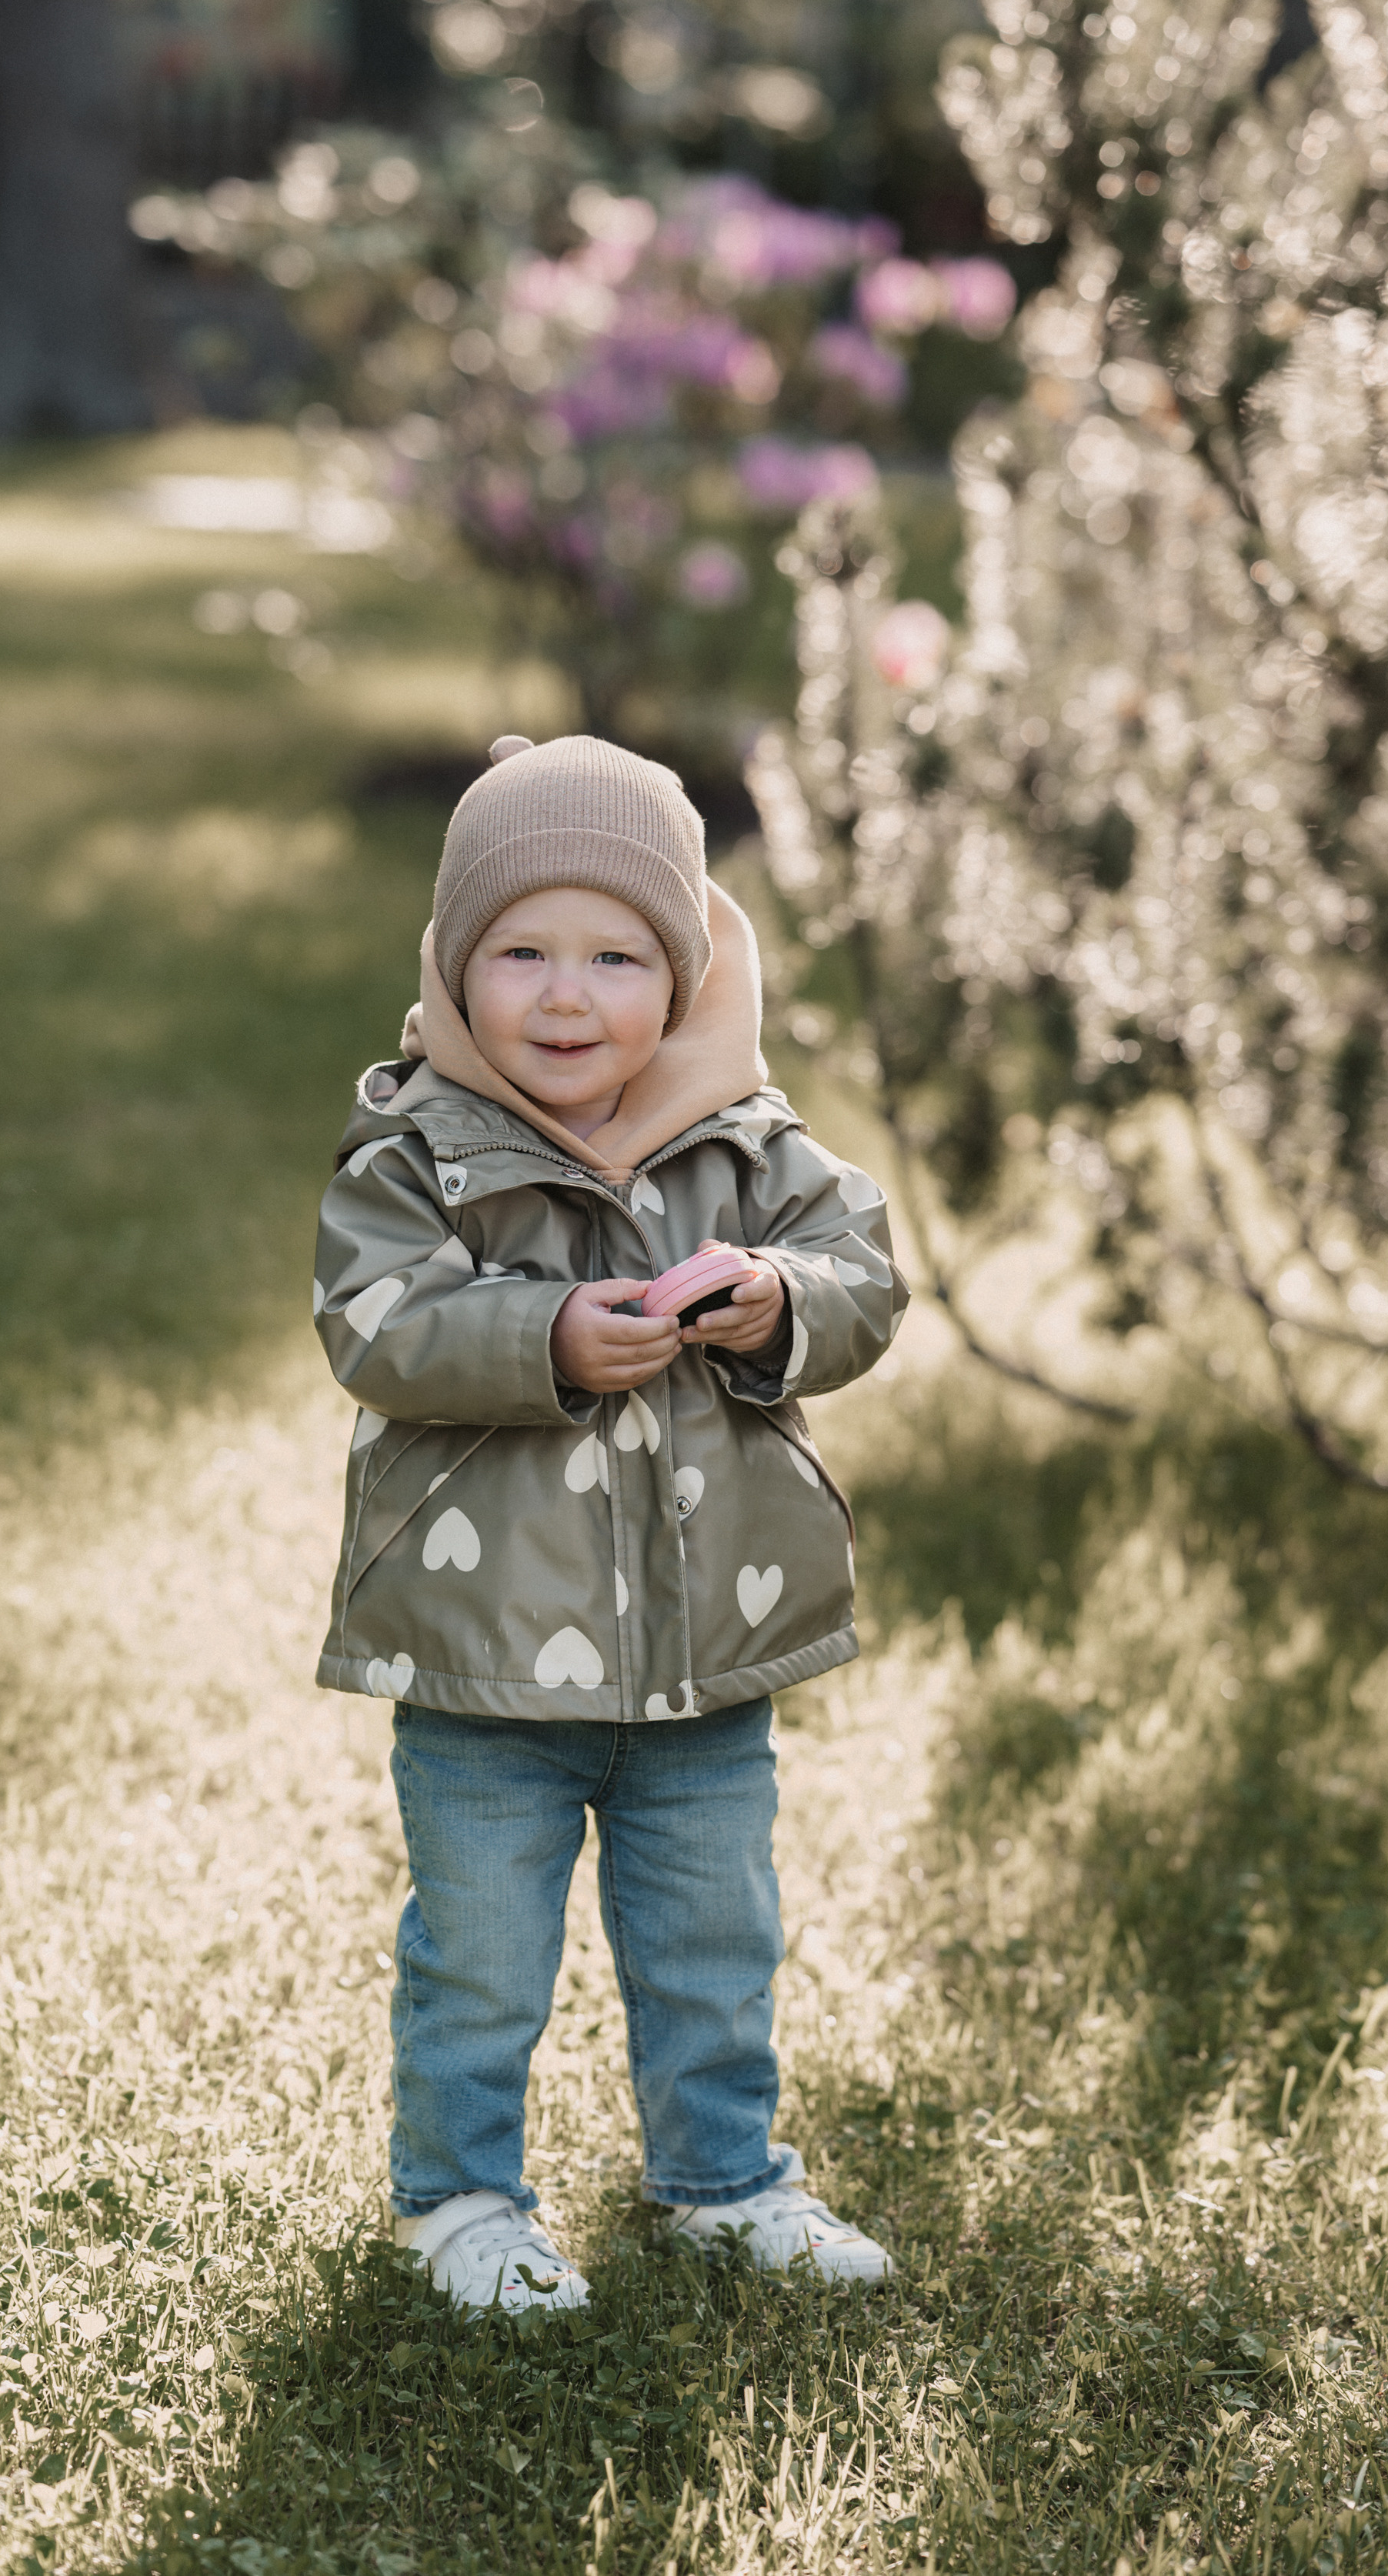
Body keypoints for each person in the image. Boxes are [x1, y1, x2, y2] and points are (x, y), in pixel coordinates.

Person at [312, 733, 908, 2314]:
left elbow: (868, 1278)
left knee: (717, 1945)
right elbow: (374, 1322)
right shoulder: (420, 1152)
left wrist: (777, 1294)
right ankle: (458, 2202)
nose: (565, 997)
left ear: (686, 970)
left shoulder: (750, 1146)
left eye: (615, 956)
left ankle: (723, 2180)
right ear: (454, 965)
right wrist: (546, 1337)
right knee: (480, 1962)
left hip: (705, 1662)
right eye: (520, 952)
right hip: (484, 1662)